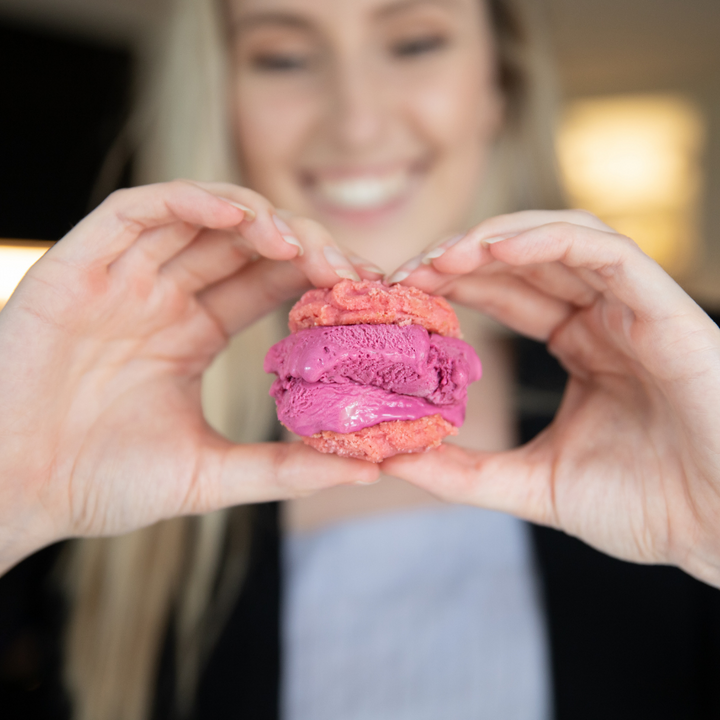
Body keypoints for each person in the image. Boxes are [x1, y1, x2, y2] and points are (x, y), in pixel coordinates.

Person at [1, 0, 719, 718]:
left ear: (501, 83)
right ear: (222, 99)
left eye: (413, 44)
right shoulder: (98, 432)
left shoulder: (692, 379)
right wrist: (14, 489)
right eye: (283, 57)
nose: (357, 121)